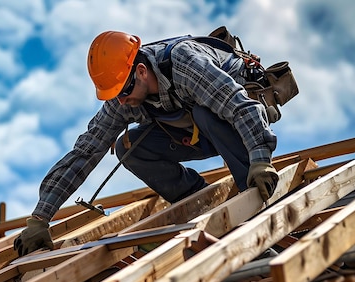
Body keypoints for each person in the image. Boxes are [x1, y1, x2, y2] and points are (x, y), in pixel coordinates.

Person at [14, 30, 279, 256]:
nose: (120, 101)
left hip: (240, 123)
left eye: (124, 92)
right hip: (196, 133)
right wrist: (40, 218)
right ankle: (198, 200)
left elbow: (241, 107)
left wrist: (260, 159)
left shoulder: (185, 64)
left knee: (205, 112)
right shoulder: (123, 99)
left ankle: (254, 203)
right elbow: (85, 152)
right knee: (127, 148)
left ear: (141, 71)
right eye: (114, 95)